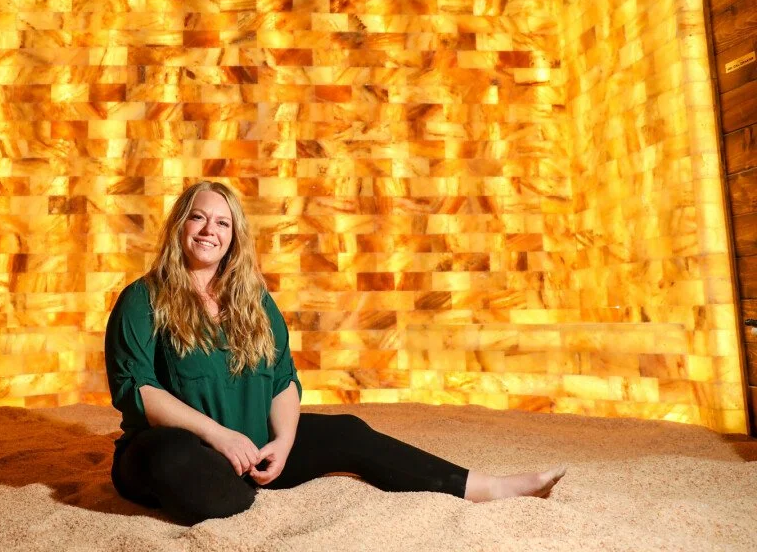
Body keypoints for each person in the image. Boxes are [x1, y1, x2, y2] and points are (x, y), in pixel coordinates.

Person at [104, 180, 566, 525]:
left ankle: (486, 486)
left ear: (235, 237)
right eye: (199, 217)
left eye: (222, 222)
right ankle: (230, 491)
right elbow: (137, 389)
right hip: (176, 448)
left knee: (347, 431)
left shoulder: (255, 302)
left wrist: (283, 443)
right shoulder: (144, 299)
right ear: (180, 224)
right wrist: (221, 438)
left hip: (253, 450)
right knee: (175, 459)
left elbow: (283, 380)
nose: (210, 230)